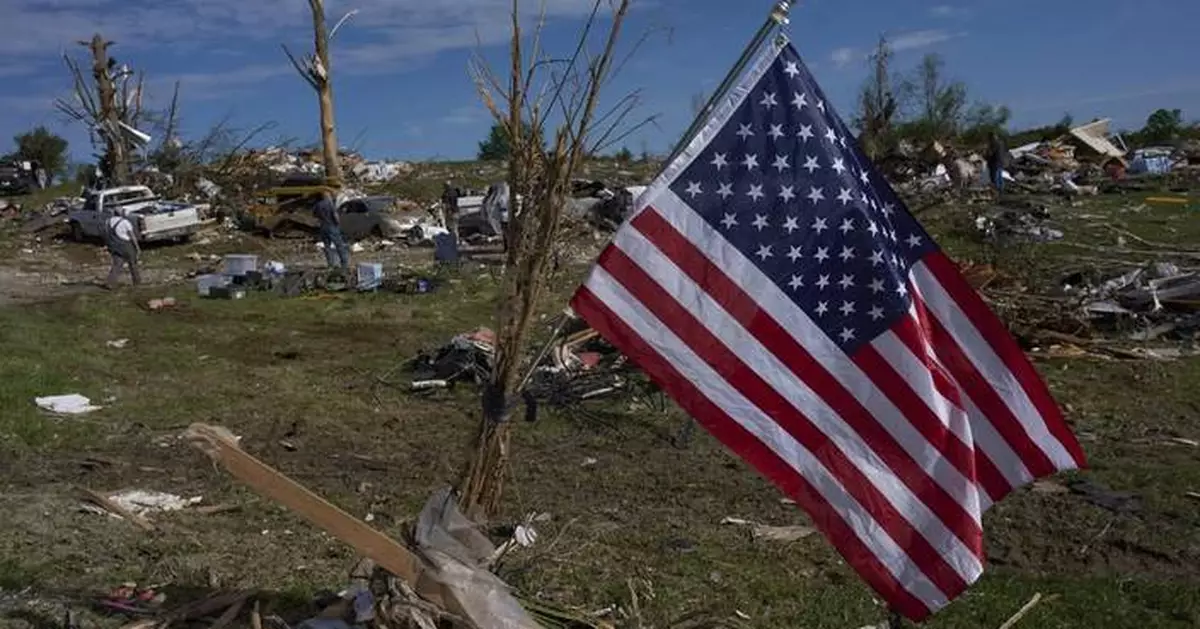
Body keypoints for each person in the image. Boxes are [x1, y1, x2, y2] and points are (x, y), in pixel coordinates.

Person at [104, 208, 141, 289]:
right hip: (126, 244)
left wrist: (109, 245)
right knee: (132, 263)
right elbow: (132, 236)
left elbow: (106, 234)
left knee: (117, 265)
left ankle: (110, 282)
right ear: (121, 214)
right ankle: (136, 281)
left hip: (114, 245)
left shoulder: (108, 221)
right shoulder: (125, 222)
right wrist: (137, 247)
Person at [314, 189, 349, 271]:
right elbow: (335, 215)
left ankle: (330, 264)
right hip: (332, 226)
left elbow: (315, 214)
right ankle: (344, 264)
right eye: (329, 195)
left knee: (327, 246)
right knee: (339, 245)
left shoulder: (318, 205)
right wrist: (338, 223)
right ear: (327, 196)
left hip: (323, 227)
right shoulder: (330, 204)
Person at [987, 130, 1009, 196]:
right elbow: (1005, 151)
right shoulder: (1001, 143)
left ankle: (997, 191)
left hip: (995, 162)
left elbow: (991, 153)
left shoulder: (994, 144)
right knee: (1000, 176)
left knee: (996, 177)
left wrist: (987, 154)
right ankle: (1001, 190)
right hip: (1001, 162)